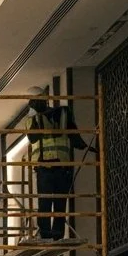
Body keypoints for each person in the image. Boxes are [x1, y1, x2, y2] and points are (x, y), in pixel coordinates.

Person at [25, 85, 94, 241]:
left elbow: (72, 133)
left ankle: (56, 233)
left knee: (60, 201)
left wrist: (85, 145)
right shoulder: (31, 119)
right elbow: (33, 137)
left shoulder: (62, 113)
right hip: (44, 166)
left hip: (62, 165)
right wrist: (34, 114)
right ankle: (45, 233)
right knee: (45, 202)